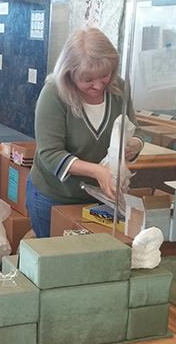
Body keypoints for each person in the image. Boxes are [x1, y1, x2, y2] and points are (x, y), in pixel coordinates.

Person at [26, 27, 144, 238]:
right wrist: (97, 171)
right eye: (88, 80)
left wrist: (134, 145)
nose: (98, 85)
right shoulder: (54, 94)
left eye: (104, 76)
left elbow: (135, 129)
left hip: (102, 199)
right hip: (55, 196)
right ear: (69, 74)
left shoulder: (119, 89)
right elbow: (50, 154)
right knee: (54, 260)